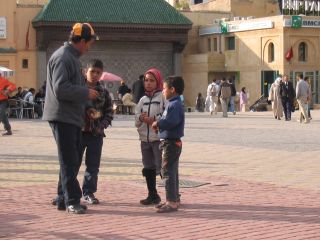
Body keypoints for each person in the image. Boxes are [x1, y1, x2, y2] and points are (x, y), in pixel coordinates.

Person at [44, 22, 99, 214]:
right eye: (89, 42)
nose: (89, 46)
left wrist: (87, 107)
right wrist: (86, 93)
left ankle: (62, 197)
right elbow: (61, 89)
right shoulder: (63, 57)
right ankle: (72, 200)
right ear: (82, 41)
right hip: (62, 116)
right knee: (69, 159)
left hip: (71, 116)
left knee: (71, 159)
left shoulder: (71, 57)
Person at [79, 59, 113, 204]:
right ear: (85, 71)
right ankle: (65, 193)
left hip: (95, 134)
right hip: (77, 132)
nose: (95, 75)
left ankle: (88, 193)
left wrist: (102, 125)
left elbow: (109, 112)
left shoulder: (104, 92)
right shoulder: (77, 89)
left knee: (92, 166)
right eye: (92, 71)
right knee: (71, 164)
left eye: (98, 73)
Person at [151, 76, 185, 213]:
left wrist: (158, 123)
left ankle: (171, 202)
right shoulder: (173, 103)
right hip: (171, 142)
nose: (163, 91)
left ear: (172, 89)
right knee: (172, 171)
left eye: (164, 88)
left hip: (170, 143)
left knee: (167, 172)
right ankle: (174, 199)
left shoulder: (174, 104)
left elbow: (171, 121)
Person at [135, 68, 165, 205]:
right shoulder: (142, 100)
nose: (148, 83)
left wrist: (153, 119)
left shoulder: (163, 97)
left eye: (151, 80)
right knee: (148, 167)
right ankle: (152, 194)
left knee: (163, 167)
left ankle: (173, 195)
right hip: (144, 140)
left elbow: (166, 115)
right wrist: (141, 118)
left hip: (158, 139)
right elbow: (136, 119)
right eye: (146, 80)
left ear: (158, 81)